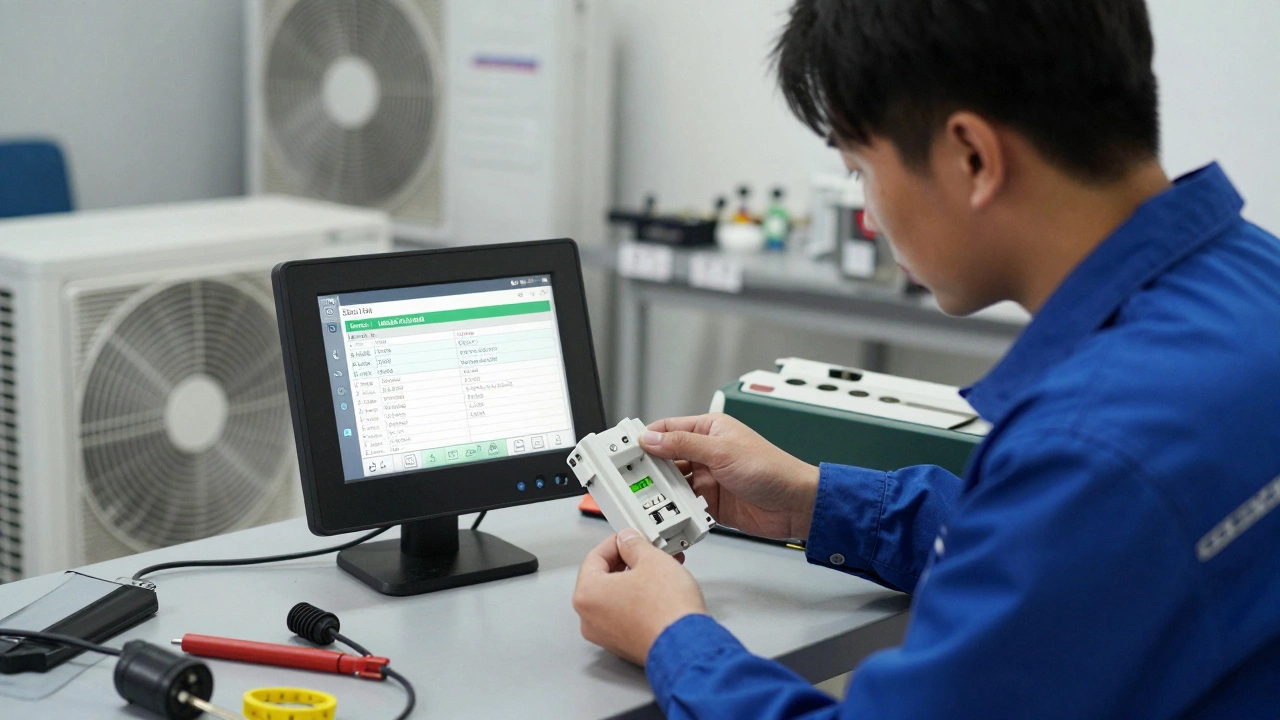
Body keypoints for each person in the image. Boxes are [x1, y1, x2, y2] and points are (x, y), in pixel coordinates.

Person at [571, 0, 1280, 717]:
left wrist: (673, 638)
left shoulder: (1090, 449)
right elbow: (1070, 556)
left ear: (971, 157)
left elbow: (1079, 515)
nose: (871, 220)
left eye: (859, 173)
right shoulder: (1259, 281)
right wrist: (818, 502)